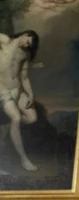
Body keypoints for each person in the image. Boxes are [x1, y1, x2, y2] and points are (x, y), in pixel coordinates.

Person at [0, 31, 39, 172]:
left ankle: (6, 126)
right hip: (2, 89)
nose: (27, 45)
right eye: (28, 41)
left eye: (30, 45)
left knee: (32, 118)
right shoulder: (5, 40)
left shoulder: (24, 54)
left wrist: (30, 94)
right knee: (16, 117)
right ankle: (24, 159)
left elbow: (24, 78)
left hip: (16, 90)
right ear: (25, 34)